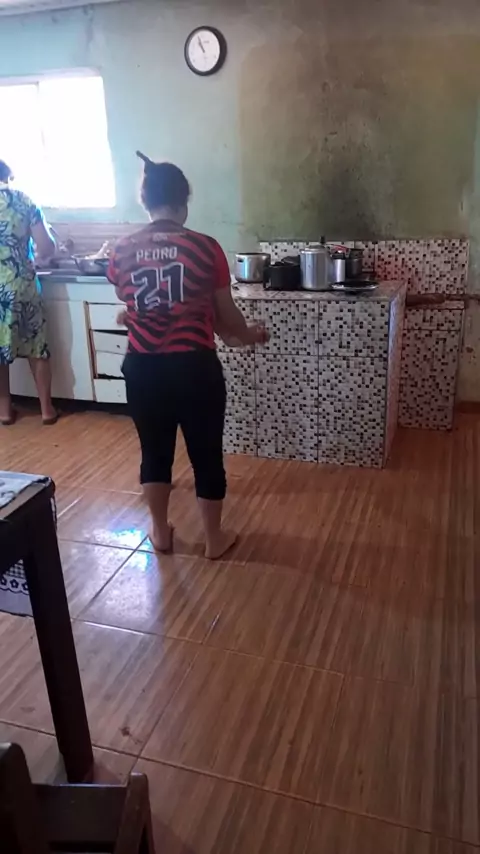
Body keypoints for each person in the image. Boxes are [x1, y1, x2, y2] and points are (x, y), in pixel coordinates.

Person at [108, 153, 268, 559]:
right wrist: (249, 334)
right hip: (195, 367)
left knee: (154, 452)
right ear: (184, 201)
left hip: (143, 367)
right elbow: (226, 315)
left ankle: (160, 533)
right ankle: (214, 539)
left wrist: (133, 315)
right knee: (206, 453)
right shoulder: (205, 248)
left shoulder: (122, 249)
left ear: (145, 200)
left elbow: (134, 301)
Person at [0, 160, 57, 425]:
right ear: (8, 176)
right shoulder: (23, 201)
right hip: (22, 285)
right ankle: (46, 410)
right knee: (37, 346)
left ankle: (4, 411)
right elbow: (46, 247)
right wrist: (40, 256)